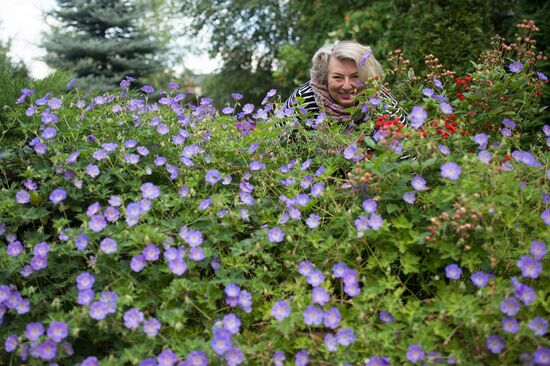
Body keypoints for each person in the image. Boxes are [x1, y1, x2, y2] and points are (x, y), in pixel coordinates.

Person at [284, 40, 405, 127]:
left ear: (367, 77)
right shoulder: (303, 99)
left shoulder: (381, 101)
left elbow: (407, 153)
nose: (347, 86)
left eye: (355, 76)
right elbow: (275, 138)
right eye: (338, 77)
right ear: (325, 77)